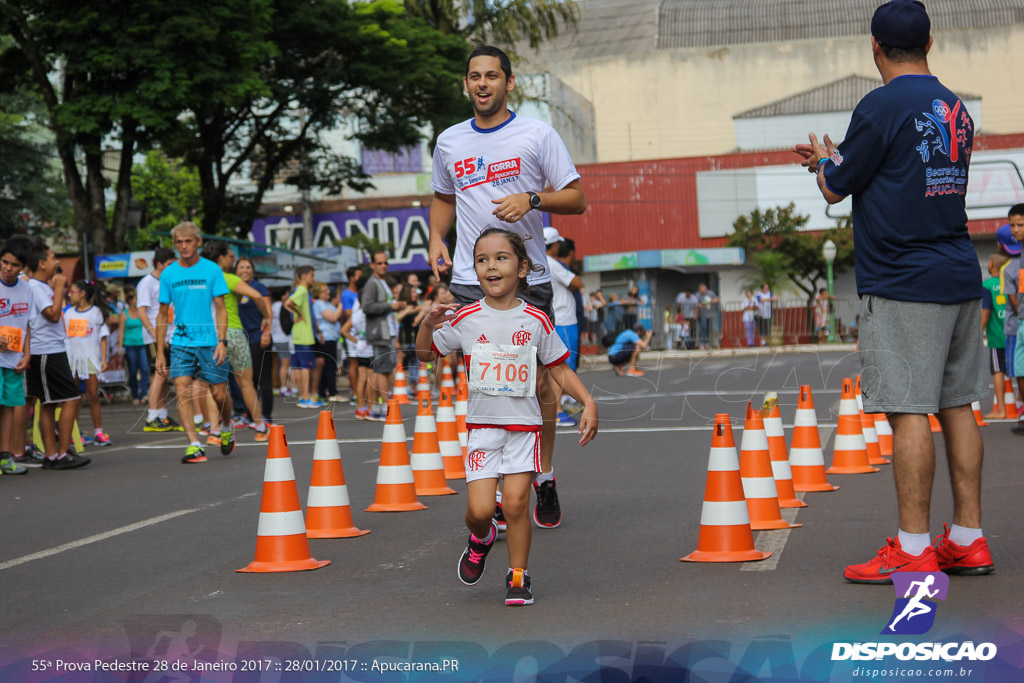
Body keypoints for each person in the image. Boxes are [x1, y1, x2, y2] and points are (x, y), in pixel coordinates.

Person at [794, 0, 993, 582]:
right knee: (958, 405)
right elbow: (905, 171)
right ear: (930, 43)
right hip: (958, 272)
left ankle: (912, 546)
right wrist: (839, 161)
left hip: (904, 280)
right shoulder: (954, 107)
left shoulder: (879, 104)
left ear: (874, 47)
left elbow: (836, 187)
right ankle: (968, 538)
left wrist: (824, 165)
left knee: (909, 410)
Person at [429, 45, 587, 529]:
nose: (482, 84)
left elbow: (577, 199)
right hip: (468, 281)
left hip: (529, 278)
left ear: (509, 83)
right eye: (474, 76)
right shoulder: (450, 141)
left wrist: (533, 199)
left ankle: (542, 474)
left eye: (492, 76)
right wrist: (436, 236)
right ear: (465, 84)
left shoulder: (536, 134)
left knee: (538, 384)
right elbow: (441, 197)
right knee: (487, 386)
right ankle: (496, 488)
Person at [416, 227, 597, 606]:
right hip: (483, 430)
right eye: (482, 259)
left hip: (524, 430)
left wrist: (587, 402)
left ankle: (518, 575)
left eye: (501, 258)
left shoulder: (536, 320)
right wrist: (427, 324)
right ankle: (480, 539)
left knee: (514, 504)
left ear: (522, 267)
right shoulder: (465, 318)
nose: (491, 266)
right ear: (475, 270)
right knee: (480, 511)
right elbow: (425, 353)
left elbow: (559, 367)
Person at [155, 222, 235, 464]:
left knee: (219, 395)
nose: (184, 246)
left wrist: (222, 341)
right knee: (181, 386)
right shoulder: (169, 274)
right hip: (180, 341)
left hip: (210, 341)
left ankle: (227, 425)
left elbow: (222, 310)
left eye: (188, 241)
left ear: (198, 242)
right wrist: (160, 351)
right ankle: (194, 444)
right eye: (179, 242)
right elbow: (161, 314)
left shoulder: (212, 270)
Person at [25, 239, 89, 469]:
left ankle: (52, 455)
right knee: (71, 398)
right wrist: (60, 287)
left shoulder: (41, 287)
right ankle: (61, 452)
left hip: (52, 349)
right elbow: (52, 315)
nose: (57, 262)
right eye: (53, 258)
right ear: (42, 263)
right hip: (45, 351)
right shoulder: (34, 286)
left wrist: (56, 289)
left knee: (49, 403)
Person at [201, 241, 271, 439]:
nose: (233, 260)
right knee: (246, 383)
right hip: (232, 332)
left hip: (209, 334)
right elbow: (257, 295)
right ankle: (259, 427)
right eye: (230, 257)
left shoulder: (202, 277)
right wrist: (266, 317)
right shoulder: (228, 278)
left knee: (212, 385)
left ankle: (214, 431)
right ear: (221, 258)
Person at [0, 236, 35, 475]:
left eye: (14, 265)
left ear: (22, 266)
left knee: (9, 408)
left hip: (14, 361)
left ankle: (5, 456)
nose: (8, 268)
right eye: (4, 262)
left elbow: (28, 325)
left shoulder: (26, 288)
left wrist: (27, 353)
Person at [137, 247, 181, 432]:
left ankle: (161, 415)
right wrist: (157, 336)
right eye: (170, 264)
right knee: (160, 373)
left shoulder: (168, 281)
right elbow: (141, 312)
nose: (174, 267)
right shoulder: (147, 283)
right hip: (155, 336)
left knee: (164, 374)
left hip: (169, 335)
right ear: (159, 264)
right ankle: (152, 416)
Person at [64, 280, 112, 446]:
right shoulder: (68, 313)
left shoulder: (95, 313)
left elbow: (103, 337)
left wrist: (104, 359)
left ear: (82, 294)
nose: (69, 294)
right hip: (73, 361)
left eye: (73, 291)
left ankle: (98, 432)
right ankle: (73, 433)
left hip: (90, 359)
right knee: (74, 398)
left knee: (93, 396)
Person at [359, 251, 404, 421]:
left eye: (385, 263)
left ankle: (379, 408)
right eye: (379, 263)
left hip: (386, 332)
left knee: (380, 370)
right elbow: (367, 307)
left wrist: (394, 306)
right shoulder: (372, 283)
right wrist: (390, 306)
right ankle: (385, 407)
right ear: (372, 265)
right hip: (380, 333)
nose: (383, 266)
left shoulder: (381, 282)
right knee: (382, 371)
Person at [544, 227, 583, 426]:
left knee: (555, 367)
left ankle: (555, 408)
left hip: (554, 319)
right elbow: (577, 282)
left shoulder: (540, 262)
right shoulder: (553, 264)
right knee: (562, 368)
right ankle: (557, 411)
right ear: (555, 245)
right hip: (564, 320)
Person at [235, 257, 275, 423]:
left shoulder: (259, 288)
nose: (245, 270)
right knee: (244, 379)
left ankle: (265, 415)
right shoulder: (234, 287)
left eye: (248, 267)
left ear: (252, 270)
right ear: (236, 270)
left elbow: (268, 312)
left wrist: (266, 334)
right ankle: (249, 414)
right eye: (241, 267)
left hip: (257, 337)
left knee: (262, 378)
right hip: (239, 339)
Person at [282, 265, 323, 409]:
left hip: (298, 334)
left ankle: (303, 396)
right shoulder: (302, 290)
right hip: (304, 334)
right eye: (312, 275)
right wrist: (298, 314)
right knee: (306, 367)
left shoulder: (301, 290)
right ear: (304, 276)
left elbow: (288, 303)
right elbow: (288, 303)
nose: (313, 278)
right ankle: (306, 398)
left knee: (299, 367)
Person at [981, 253, 1010, 418]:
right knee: (1017, 371)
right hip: (1012, 332)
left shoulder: (988, 285)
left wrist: (980, 329)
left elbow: (986, 310)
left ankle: (1001, 409)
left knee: (998, 371)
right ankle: (1019, 405)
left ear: (992, 264)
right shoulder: (1009, 282)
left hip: (996, 334)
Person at [1004, 208, 1024, 432]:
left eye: (1020, 225)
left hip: (1021, 321)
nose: (1016, 230)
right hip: (1020, 322)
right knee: (1019, 371)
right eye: (1013, 224)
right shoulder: (1018, 258)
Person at [340, 297, 373, 419]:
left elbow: (344, 330)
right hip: (371, 348)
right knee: (370, 379)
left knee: (361, 379)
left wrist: (357, 340)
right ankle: (371, 408)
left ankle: (360, 408)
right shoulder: (370, 313)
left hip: (360, 349)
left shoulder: (356, 314)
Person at [312, 282, 345, 402]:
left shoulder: (326, 304)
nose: (328, 292)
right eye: (325, 290)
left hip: (332, 337)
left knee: (329, 366)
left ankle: (325, 391)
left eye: (328, 290)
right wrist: (341, 305)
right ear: (318, 293)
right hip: (326, 338)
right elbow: (333, 318)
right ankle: (332, 392)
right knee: (329, 366)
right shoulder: (319, 304)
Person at [121, 286, 150, 406]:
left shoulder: (142, 312)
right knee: (132, 371)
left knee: (144, 368)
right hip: (129, 345)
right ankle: (135, 395)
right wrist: (120, 346)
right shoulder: (124, 314)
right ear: (131, 300)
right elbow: (121, 331)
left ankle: (144, 394)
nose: (138, 300)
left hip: (142, 344)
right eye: (136, 298)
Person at [341, 266, 363, 405]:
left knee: (365, 364)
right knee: (354, 363)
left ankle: (363, 393)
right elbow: (349, 314)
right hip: (353, 332)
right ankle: (355, 393)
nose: (360, 279)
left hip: (363, 330)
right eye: (358, 276)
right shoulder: (346, 294)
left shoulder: (362, 292)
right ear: (351, 278)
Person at [270, 289, 293, 398]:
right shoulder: (283, 306)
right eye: (287, 295)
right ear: (283, 296)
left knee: (275, 364)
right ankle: (284, 388)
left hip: (273, 337)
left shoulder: (272, 306)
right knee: (285, 365)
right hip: (283, 338)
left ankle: (276, 387)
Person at [696, 283, 719, 349]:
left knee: (708, 329)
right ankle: (701, 343)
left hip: (710, 314)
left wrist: (711, 300)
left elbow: (717, 299)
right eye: (701, 290)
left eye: (704, 289)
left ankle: (707, 343)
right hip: (702, 314)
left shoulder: (710, 293)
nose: (703, 291)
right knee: (703, 328)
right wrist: (702, 305)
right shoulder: (698, 295)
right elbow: (696, 304)